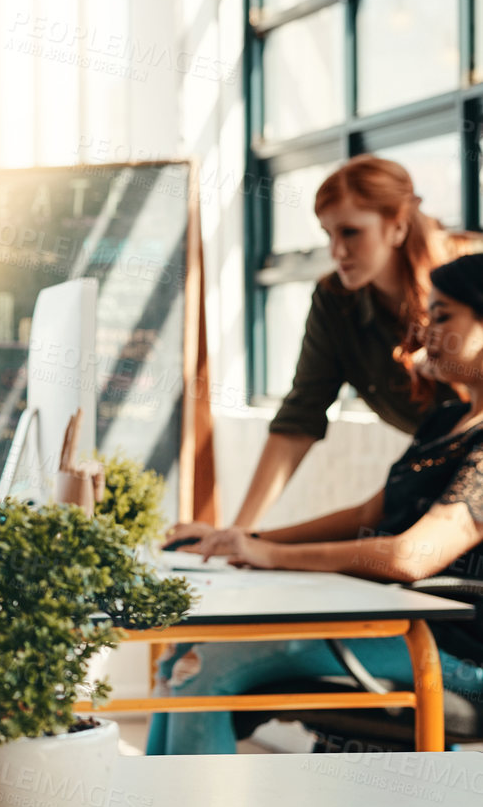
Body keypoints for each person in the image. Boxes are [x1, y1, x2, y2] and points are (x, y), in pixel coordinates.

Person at [149, 253, 483, 755]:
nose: (425, 331)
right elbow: (367, 515)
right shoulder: (447, 420)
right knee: (180, 658)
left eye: (443, 316)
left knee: (207, 668)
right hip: (396, 623)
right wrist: (247, 541)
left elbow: (411, 556)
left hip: (451, 655)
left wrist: (272, 556)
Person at [173, 156, 452, 542]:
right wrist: (238, 534)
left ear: (398, 226)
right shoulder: (336, 300)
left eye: (351, 232)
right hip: (435, 489)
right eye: (328, 234)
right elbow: (301, 415)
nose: (336, 251)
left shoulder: (468, 276)